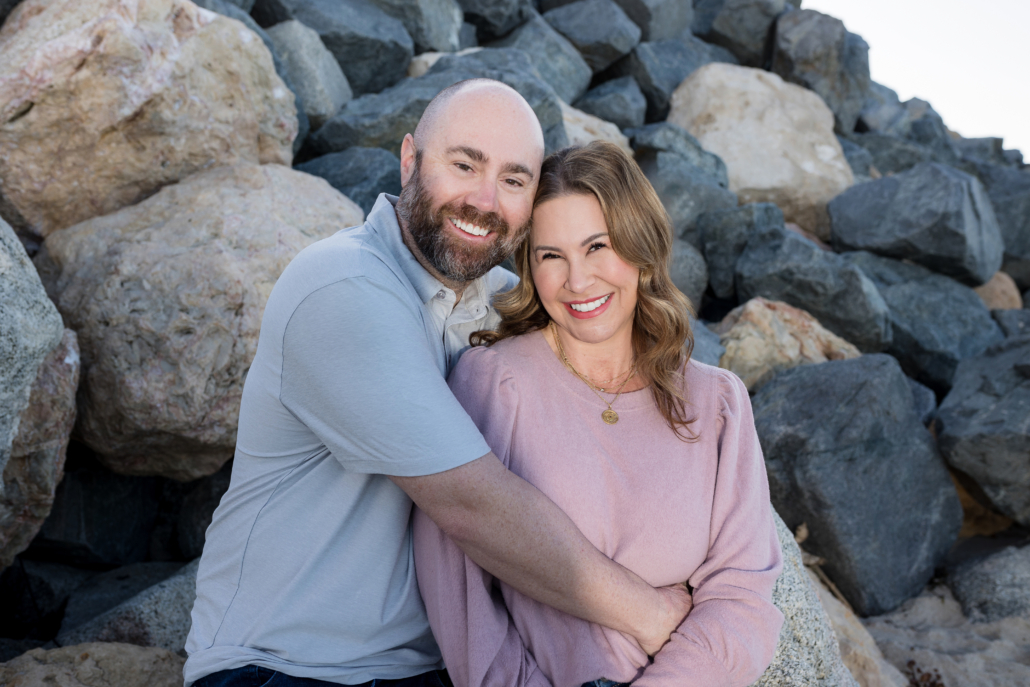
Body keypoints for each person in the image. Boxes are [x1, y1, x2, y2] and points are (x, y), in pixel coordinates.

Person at [184, 81, 692, 687]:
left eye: (513, 180)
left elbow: (626, 392)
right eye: (464, 165)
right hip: (286, 666)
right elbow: (470, 504)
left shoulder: (509, 302)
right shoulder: (342, 286)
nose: (484, 200)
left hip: (446, 665)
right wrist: (654, 614)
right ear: (409, 160)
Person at [413, 141, 785, 687]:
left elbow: (743, 595)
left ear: (640, 247)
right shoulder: (493, 384)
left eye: (597, 247)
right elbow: (461, 599)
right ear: (529, 266)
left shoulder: (717, 402)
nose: (578, 281)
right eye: (551, 256)